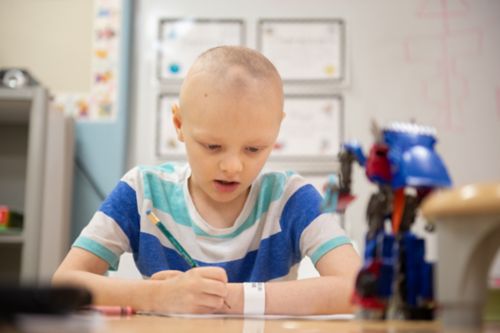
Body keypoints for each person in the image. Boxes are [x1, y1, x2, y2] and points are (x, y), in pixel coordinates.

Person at [53, 46, 361, 315]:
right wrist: (159, 297)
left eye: (254, 149)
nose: (232, 166)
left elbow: (357, 291)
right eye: (212, 146)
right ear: (179, 124)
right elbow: (65, 283)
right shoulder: (142, 191)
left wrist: (226, 298)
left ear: (276, 130)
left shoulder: (291, 199)